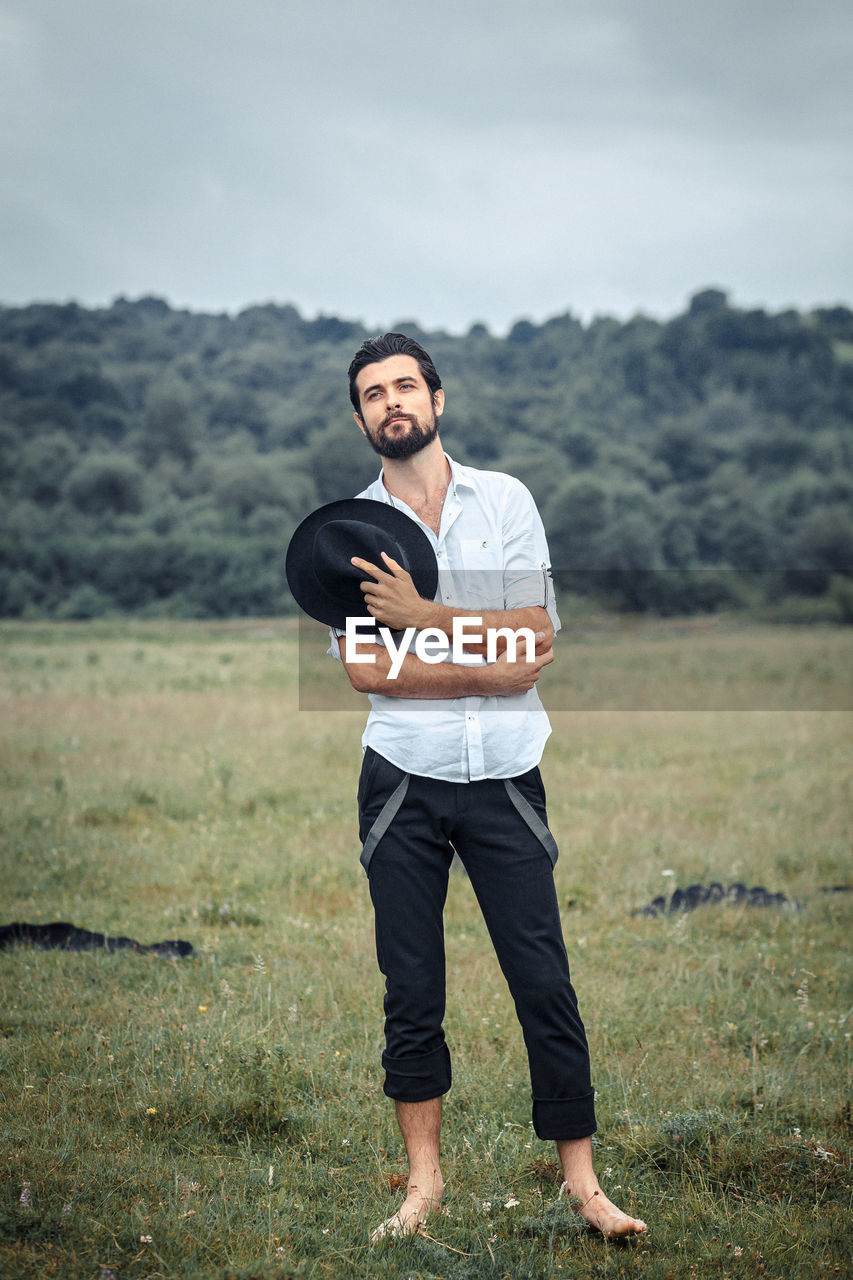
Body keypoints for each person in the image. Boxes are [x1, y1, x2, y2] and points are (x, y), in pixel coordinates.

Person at [330, 332, 647, 1242]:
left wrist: (425, 622)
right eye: (373, 393)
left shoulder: (504, 501)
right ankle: (423, 1185)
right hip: (402, 780)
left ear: (436, 399)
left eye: (404, 386)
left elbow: (534, 643)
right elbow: (365, 670)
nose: (392, 402)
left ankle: (583, 1184)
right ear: (359, 419)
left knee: (542, 978)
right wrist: (484, 658)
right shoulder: (345, 534)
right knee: (411, 987)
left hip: (504, 776)